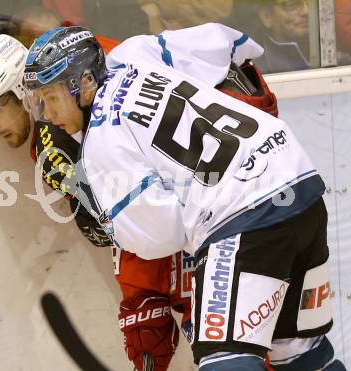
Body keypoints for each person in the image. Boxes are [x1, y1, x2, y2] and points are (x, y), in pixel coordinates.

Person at [23, 24, 346, 371]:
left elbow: (161, 238)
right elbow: (224, 41)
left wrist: (107, 215)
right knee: (299, 353)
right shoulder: (134, 54)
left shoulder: (102, 144)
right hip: (296, 176)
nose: (47, 116)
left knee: (225, 361)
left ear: (85, 82)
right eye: (38, 101)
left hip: (246, 213)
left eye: (52, 98)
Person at [0, 33, 191, 371]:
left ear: (23, 94)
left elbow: (107, 222)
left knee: (221, 342)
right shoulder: (64, 119)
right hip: (164, 227)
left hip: (193, 220)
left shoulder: (59, 135)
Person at [253, 0, 311, 73]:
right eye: (292, 4)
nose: (306, 12)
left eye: (312, 3)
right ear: (266, 16)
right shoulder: (256, 71)